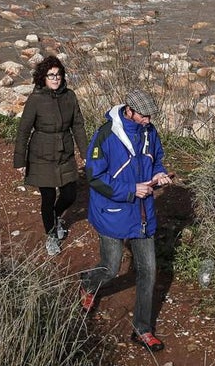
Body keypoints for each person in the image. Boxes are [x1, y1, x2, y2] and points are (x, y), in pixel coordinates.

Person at [78, 89, 172, 353]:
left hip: (143, 214)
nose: (149, 120)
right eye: (144, 115)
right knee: (110, 267)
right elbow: (95, 177)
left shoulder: (149, 131)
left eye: (151, 115)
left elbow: (157, 159)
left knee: (149, 272)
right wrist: (132, 190)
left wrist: (161, 174)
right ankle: (87, 283)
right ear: (129, 111)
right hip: (112, 213)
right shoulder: (105, 135)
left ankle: (142, 329)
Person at [12, 55, 89, 256]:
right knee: (48, 197)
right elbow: (23, 130)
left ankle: (55, 216)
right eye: (51, 75)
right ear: (43, 78)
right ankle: (52, 235)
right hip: (41, 155)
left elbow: (78, 126)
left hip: (64, 152)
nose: (55, 78)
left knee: (70, 194)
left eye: (58, 75)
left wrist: (86, 153)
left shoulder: (70, 96)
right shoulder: (35, 99)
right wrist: (20, 160)